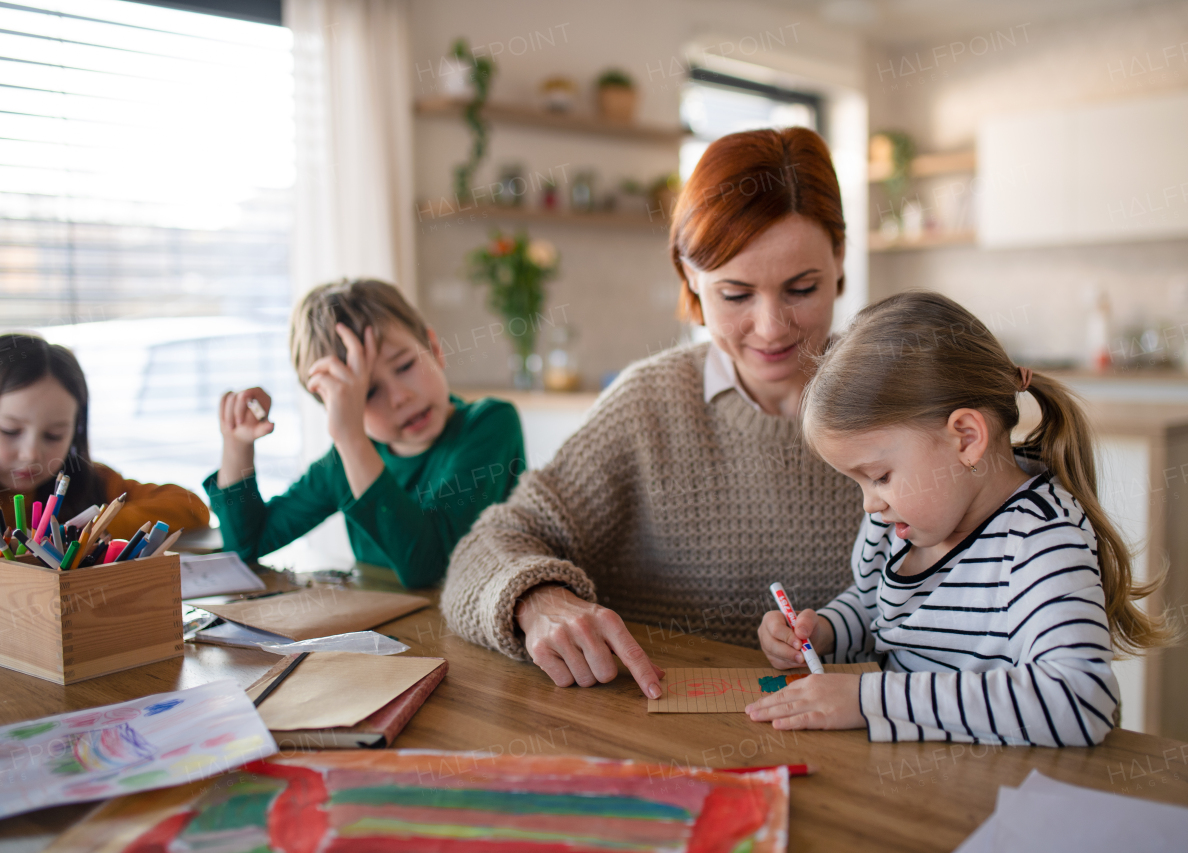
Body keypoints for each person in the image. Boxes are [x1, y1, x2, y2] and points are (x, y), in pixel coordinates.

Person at [442, 128, 864, 699]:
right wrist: (536, 600)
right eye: (736, 295)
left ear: (839, 259)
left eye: (802, 288)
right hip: (664, 754)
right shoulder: (648, 407)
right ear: (689, 275)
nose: (770, 327)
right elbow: (489, 545)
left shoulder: (894, 401)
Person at [747, 291, 1172, 746]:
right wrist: (824, 631)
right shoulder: (895, 522)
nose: (870, 504)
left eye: (880, 476)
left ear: (966, 438)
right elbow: (876, 607)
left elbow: (1079, 700)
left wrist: (870, 700)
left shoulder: (1040, 541)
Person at [205, 278, 524, 588]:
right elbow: (245, 547)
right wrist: (237, 447)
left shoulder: (490, 424)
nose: (400, 397)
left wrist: (351, 438)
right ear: (337, 407)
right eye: (369, 392)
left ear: (435, 349)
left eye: (404, 366)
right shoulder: (346, 461)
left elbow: (426, 566)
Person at [0, 333, 210, 539]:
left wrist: (94, 530)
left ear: (75, 431)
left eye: (54, 435)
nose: (30, 454)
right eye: (9, 430)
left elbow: (192, 507)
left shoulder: (89, 482)